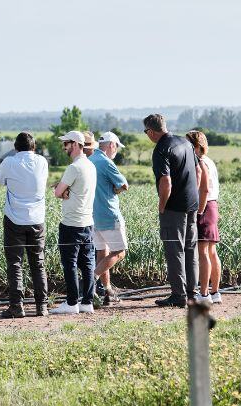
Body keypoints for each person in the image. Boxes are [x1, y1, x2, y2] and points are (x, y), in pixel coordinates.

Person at [143, 114, 201, 308]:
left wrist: (162, 206)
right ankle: (192, 293)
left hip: (174, 208)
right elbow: (198, 171)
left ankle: (178, 295)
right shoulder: (185, 143)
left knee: (174, 249)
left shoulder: (161, 149)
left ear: (151, 131)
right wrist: (194, 196)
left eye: (146, 132)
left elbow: (165, 181)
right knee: (190, 249)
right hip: (192, 204)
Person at [0, 132, 50, 319]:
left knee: (15, 264)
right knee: (38, 263)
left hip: (14, 219)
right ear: (33, 146)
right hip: (37, 219)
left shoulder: (9, 163)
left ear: (15, 147)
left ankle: (16, 306)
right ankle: (42, 306)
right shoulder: (42, 162)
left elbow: (0, 180)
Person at [51, 130, 97, 315]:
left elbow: (57, 192)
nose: (65, 147)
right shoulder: (90, 166)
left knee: (69, 263)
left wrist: (63, 190)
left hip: (71, 223)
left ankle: (71, 303)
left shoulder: (73, 168)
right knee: (87, 263)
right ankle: (87, 301)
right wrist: (65, 190)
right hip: (88, 222)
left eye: (67, 143)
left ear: (77, 144)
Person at [89, 132, 129, 305]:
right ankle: (90, 279)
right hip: (108, 214)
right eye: (117, 147)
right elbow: (123, 185)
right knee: (120, 252)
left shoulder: (90, 160)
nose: (117, 151)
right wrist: (115, 190)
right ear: (112, 145)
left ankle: (108, 291)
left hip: (92, 216)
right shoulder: (106, 162)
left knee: (102, 252)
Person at [186, 130, 223, 305]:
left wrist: (199, 211)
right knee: (212, 252)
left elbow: (204, 190)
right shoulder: (210, 161)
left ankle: (204, 293)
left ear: (194, 145)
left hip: (205, 205)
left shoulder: (199, 162)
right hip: (213, 205)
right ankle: (215, 292)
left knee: (202, 252)